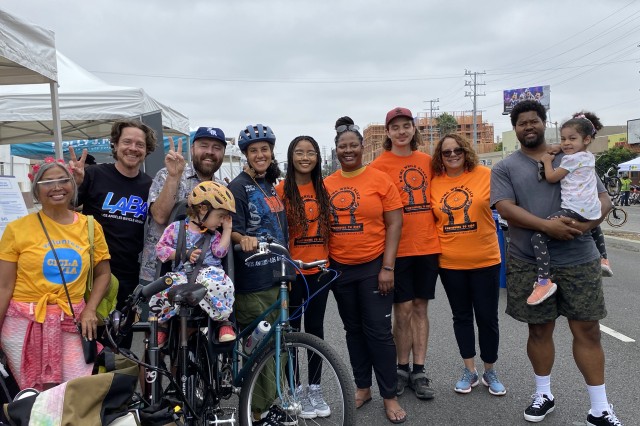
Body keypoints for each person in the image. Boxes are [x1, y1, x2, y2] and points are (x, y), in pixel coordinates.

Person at [491, 100, 622, 425]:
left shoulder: (573, 156)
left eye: (534, 121)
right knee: (539, 331)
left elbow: (603, 198)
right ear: (515, 128)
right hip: (530, 263)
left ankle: (599, 409)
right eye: (522, 123)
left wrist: (587, 225)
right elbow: (505, 208)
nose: (528, 127)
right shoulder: (505, 167)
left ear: (543, 122)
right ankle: (543, 394)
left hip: (580, 259)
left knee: (588, 331)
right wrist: (546, 226)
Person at [0, 159, 111, 391]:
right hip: (23, 323)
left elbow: (103, 274)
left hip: (72, 320)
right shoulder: (16, 229)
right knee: (30, 396)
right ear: (36, 191)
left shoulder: (90, 227)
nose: (57, 187)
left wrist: (90, 309)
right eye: (47, 182)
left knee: (75, 391)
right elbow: (4, 287)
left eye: (63, 180)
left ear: (73, 185)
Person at [324, 116, 406, 424]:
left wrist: (388, 266)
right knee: (353, 331)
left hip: (374, 266)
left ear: (362, 147)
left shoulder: (380, 179)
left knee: (379, 333)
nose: (348, 150)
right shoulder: (327, 184)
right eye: (342, 146)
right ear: (336, 150)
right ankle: (362, 387)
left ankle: (389, 395)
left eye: (353, 145)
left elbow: (395, 222)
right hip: (340, 270)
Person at [369, 107, 440, 401]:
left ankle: (419, 370)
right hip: (397, 249)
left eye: (406, 126)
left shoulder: (428, 161)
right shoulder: (378, 166)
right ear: (388, 132)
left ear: (414, 129)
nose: (401, 131)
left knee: (421, 307)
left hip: (428, 245)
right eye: (395, 127)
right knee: (403, 309)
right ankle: (400, 368)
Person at [429, 134, 506, 397]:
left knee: (487, 318)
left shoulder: (486, 174)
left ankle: (490, 370)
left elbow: (508, 204)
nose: (452, 155)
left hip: (485, 259)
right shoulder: (434, 183)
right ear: (440, 156)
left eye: (457, 150)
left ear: (466, 151)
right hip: (450, 263)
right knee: (461, 317)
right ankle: (469, 370)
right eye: (446, 152)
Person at [69, 120, 156, 348]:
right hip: (90, 273)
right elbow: (67, 211)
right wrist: (75, 185)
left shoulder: (149, 185)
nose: (133, 148)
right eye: (127, 142)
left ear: (147, 150)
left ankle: (115, 384)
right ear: (115, 145)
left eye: (140, 144)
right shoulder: (95, 174)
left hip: (127, 276)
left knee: (118, 345)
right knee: (86, 344)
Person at [228, 124, 290, 424]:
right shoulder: (238, 187)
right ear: (246, 155)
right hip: (252, 281)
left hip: (275, 276)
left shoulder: (269, 185)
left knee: (276, 348)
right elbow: (232, 229)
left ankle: (268, 404)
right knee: (261, 350)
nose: (260, 154)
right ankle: (256, 411)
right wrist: (243, 240)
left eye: (264, 149)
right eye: (254, 151)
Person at [275, 135, 332, 419]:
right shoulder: (281, 189)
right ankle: (296, 389)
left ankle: (315, 387)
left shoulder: (325, 187)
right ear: (291, 156)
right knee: (292, 333)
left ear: (318, 157)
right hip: (293, 272)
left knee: (316, 331)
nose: (305, 157)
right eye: (300, 152)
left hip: (319, 271)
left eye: (311, 152)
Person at [531, 112, 611, 305]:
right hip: (591, 208)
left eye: (571, 139)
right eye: (563, 139)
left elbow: (551, 177)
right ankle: (603, 259)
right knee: (594, 227)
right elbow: (572, 147)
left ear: (587, 139)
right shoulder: (588, 156)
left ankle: (544, 281)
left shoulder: (570, 160)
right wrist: (564, 146)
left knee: (538, 237)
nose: (566, 143)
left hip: (574, 209)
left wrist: (547, 161)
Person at [150, 181, 236, 343]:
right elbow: (160, 249)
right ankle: (162, 325)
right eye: (220, 216)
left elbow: (220, 252)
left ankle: (223, 321)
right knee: (163, 288)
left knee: (221, 284)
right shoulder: (176, 229)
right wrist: (182, 253)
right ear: (203, 209)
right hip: (182, 274)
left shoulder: (214, 234)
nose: (221, 221)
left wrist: (227, 230)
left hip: (209, 274)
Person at [139, 127, 227, 285]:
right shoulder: (167, 174)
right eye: (204, 145)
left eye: (217, 148)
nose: (210, 152)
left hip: (204, 279)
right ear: (192, 149)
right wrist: (174, 178)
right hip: (158, 273)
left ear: (223, 153)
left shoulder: (223, 190)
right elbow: (159, 216)